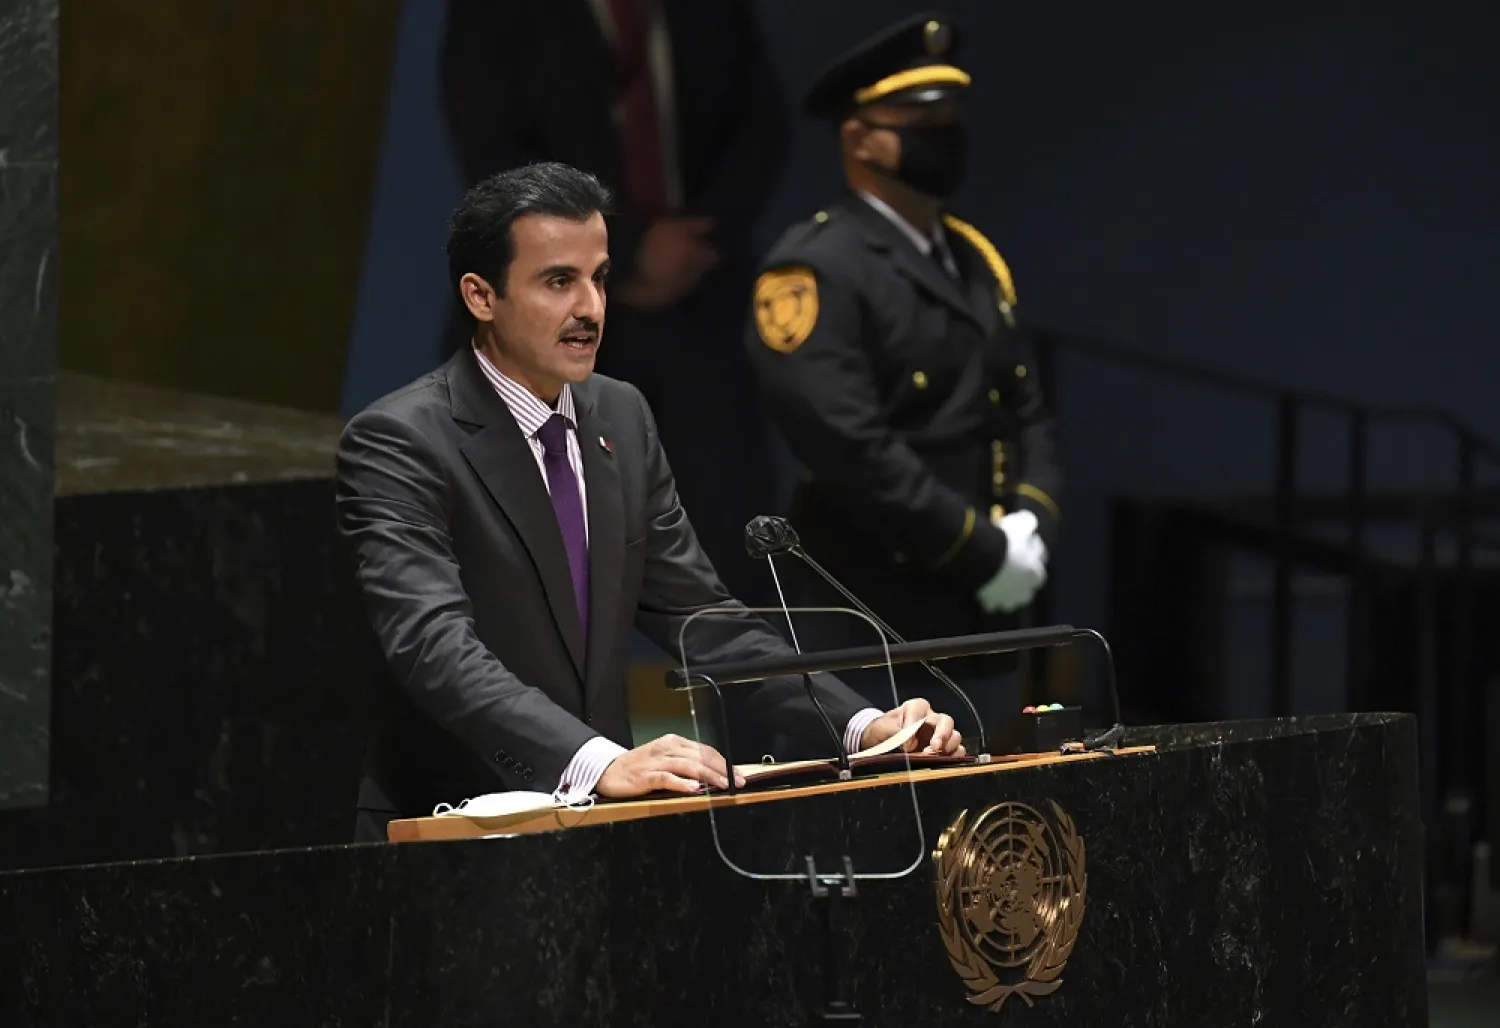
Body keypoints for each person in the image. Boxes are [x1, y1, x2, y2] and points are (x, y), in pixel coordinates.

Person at [336, 162, 964, 841]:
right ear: (482, 297)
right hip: (449, 827)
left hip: (595, 831)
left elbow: (702, 618)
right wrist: (598, 762)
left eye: (600, 277)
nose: (591, 308)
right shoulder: (401, 439)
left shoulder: (620, 415)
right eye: (558, 281)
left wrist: (863, 726)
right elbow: (435, 648)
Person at [743, 13, 1063, 737]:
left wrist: (1030, 527)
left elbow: (1026, 411)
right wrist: (983, 549)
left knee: (997, 839)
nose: (944, 132)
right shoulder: (817, 269)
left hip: (983, 617)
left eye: (951, 116)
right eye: (920, 119)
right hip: (871, 627)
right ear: (858, 137)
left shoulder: (973, 258)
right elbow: (849, 448)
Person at [437, 0, 785, 603]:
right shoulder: (493, 12)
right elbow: (495, 158)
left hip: (700, 309)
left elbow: (762, 125)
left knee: (736, 563)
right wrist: (628, 248)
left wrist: (699, 241)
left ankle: (751, 696)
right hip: (543, 324)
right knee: (522, 571)